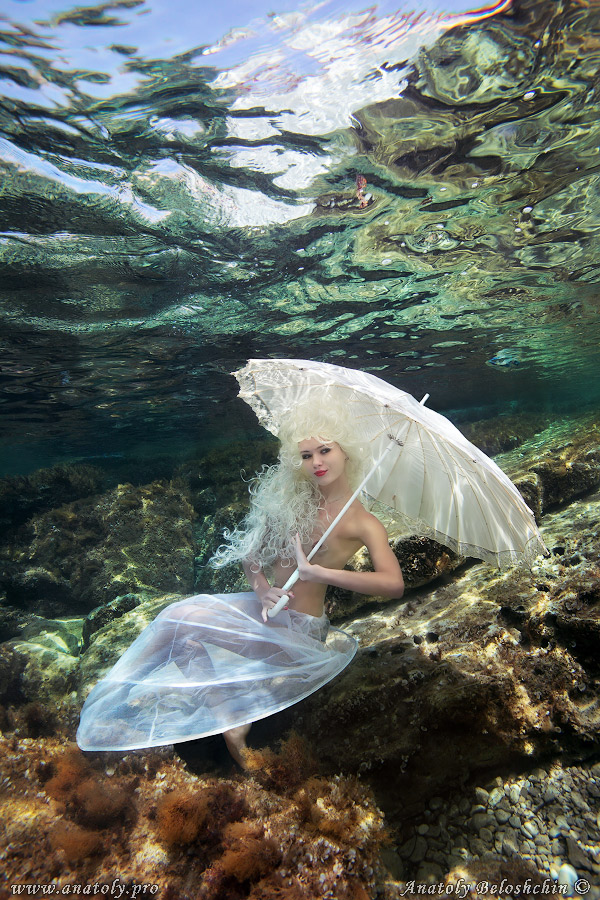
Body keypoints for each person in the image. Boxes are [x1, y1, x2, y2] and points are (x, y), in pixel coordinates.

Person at [76, 404, 404, 764]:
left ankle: (129, 702)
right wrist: (262, 589)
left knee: (181, 624)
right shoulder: (295, 501)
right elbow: (251, 558)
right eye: (307, 455)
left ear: (346, 452)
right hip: (264, 611)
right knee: (178, 617)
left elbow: (393, 584)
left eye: (325, 451)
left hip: (297, 633)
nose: (317, 462)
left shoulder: (362, 522)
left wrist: (318, 573)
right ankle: (222, 715)